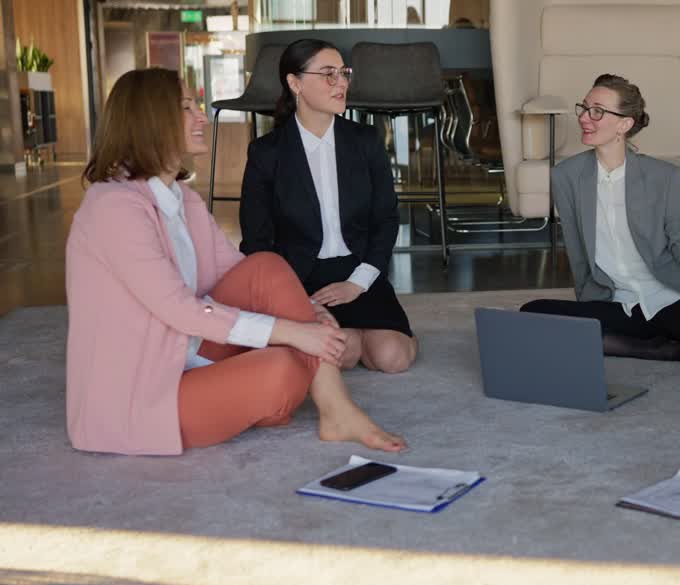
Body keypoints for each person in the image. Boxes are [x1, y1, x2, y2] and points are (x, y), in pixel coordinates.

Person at [65, 68, 405, 456]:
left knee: (266, 266)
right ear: (148, 119)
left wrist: (308, 313)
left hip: (190, 354)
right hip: (143, 393)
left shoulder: (183, 200)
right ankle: (324, 405)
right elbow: (179, 310)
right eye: (186, 107)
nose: (200, 117)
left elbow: (242, 273)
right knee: (284, 367)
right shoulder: (113, 208)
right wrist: (294, 332)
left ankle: (330, 407)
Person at [520, 73, 680, 359]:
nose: (583, 118)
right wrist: (589, 307)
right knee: (531, 315)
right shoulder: (566, 176)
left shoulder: (663, 177)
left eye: (598, 111)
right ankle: (665, 350)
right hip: (616, 302)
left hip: (668, 295)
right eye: (584, 108)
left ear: (624, 124)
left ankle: (668, 342)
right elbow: (577, 249)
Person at [240, 39, 417, 374]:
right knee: (343, 353)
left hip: (360, 270)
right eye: (328, 74)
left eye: (343, 73)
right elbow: (257, 243)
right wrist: (295, 299)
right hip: (301, 279)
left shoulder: (365, 140)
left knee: (392, 358)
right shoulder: (267, 153)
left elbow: (386, 218)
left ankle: (373, 330)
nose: (342, 83)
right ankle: (352, 333)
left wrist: (358, 282)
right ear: (295, 83)